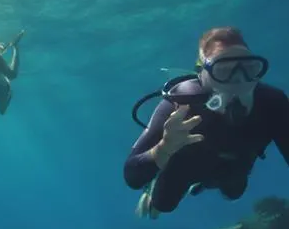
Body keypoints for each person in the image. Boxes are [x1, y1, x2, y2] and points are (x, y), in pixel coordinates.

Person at [124, 27, 289, 218]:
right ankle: (154, 189)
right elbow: (132, 176)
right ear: (202, 75)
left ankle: (202, 186)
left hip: (237, 162)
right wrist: (164, 148)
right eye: (224, 69)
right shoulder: (182, 103)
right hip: (186, 165)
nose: (239, 79)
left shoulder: (273, 103)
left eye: (248, 68)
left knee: (234, 193)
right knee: (162, 205)